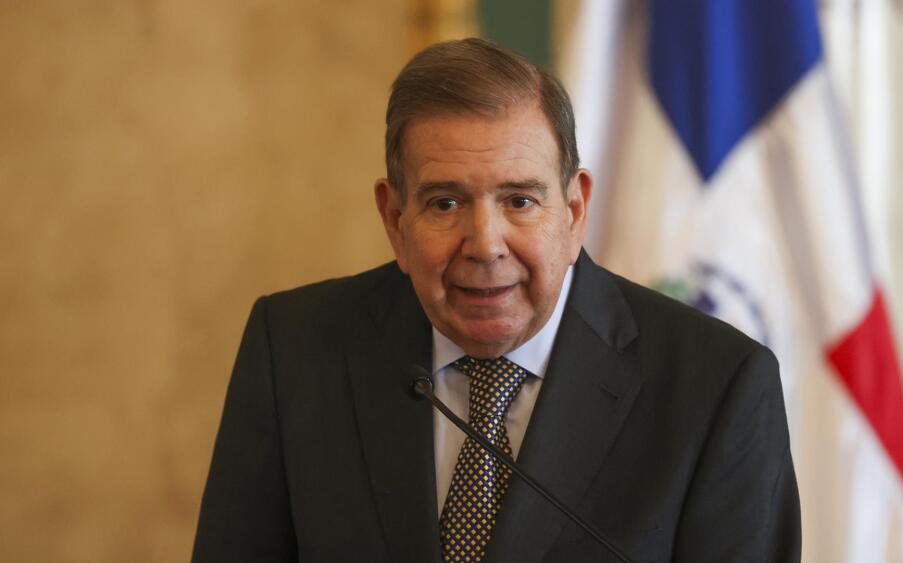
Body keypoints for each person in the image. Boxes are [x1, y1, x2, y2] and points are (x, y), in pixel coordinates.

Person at [191, 38, 800, 563]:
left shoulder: (716, 386)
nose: (485, 245)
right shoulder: (293, 352)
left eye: (520, 201)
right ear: (395, 219)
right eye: (445, 203)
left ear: (575, 210)